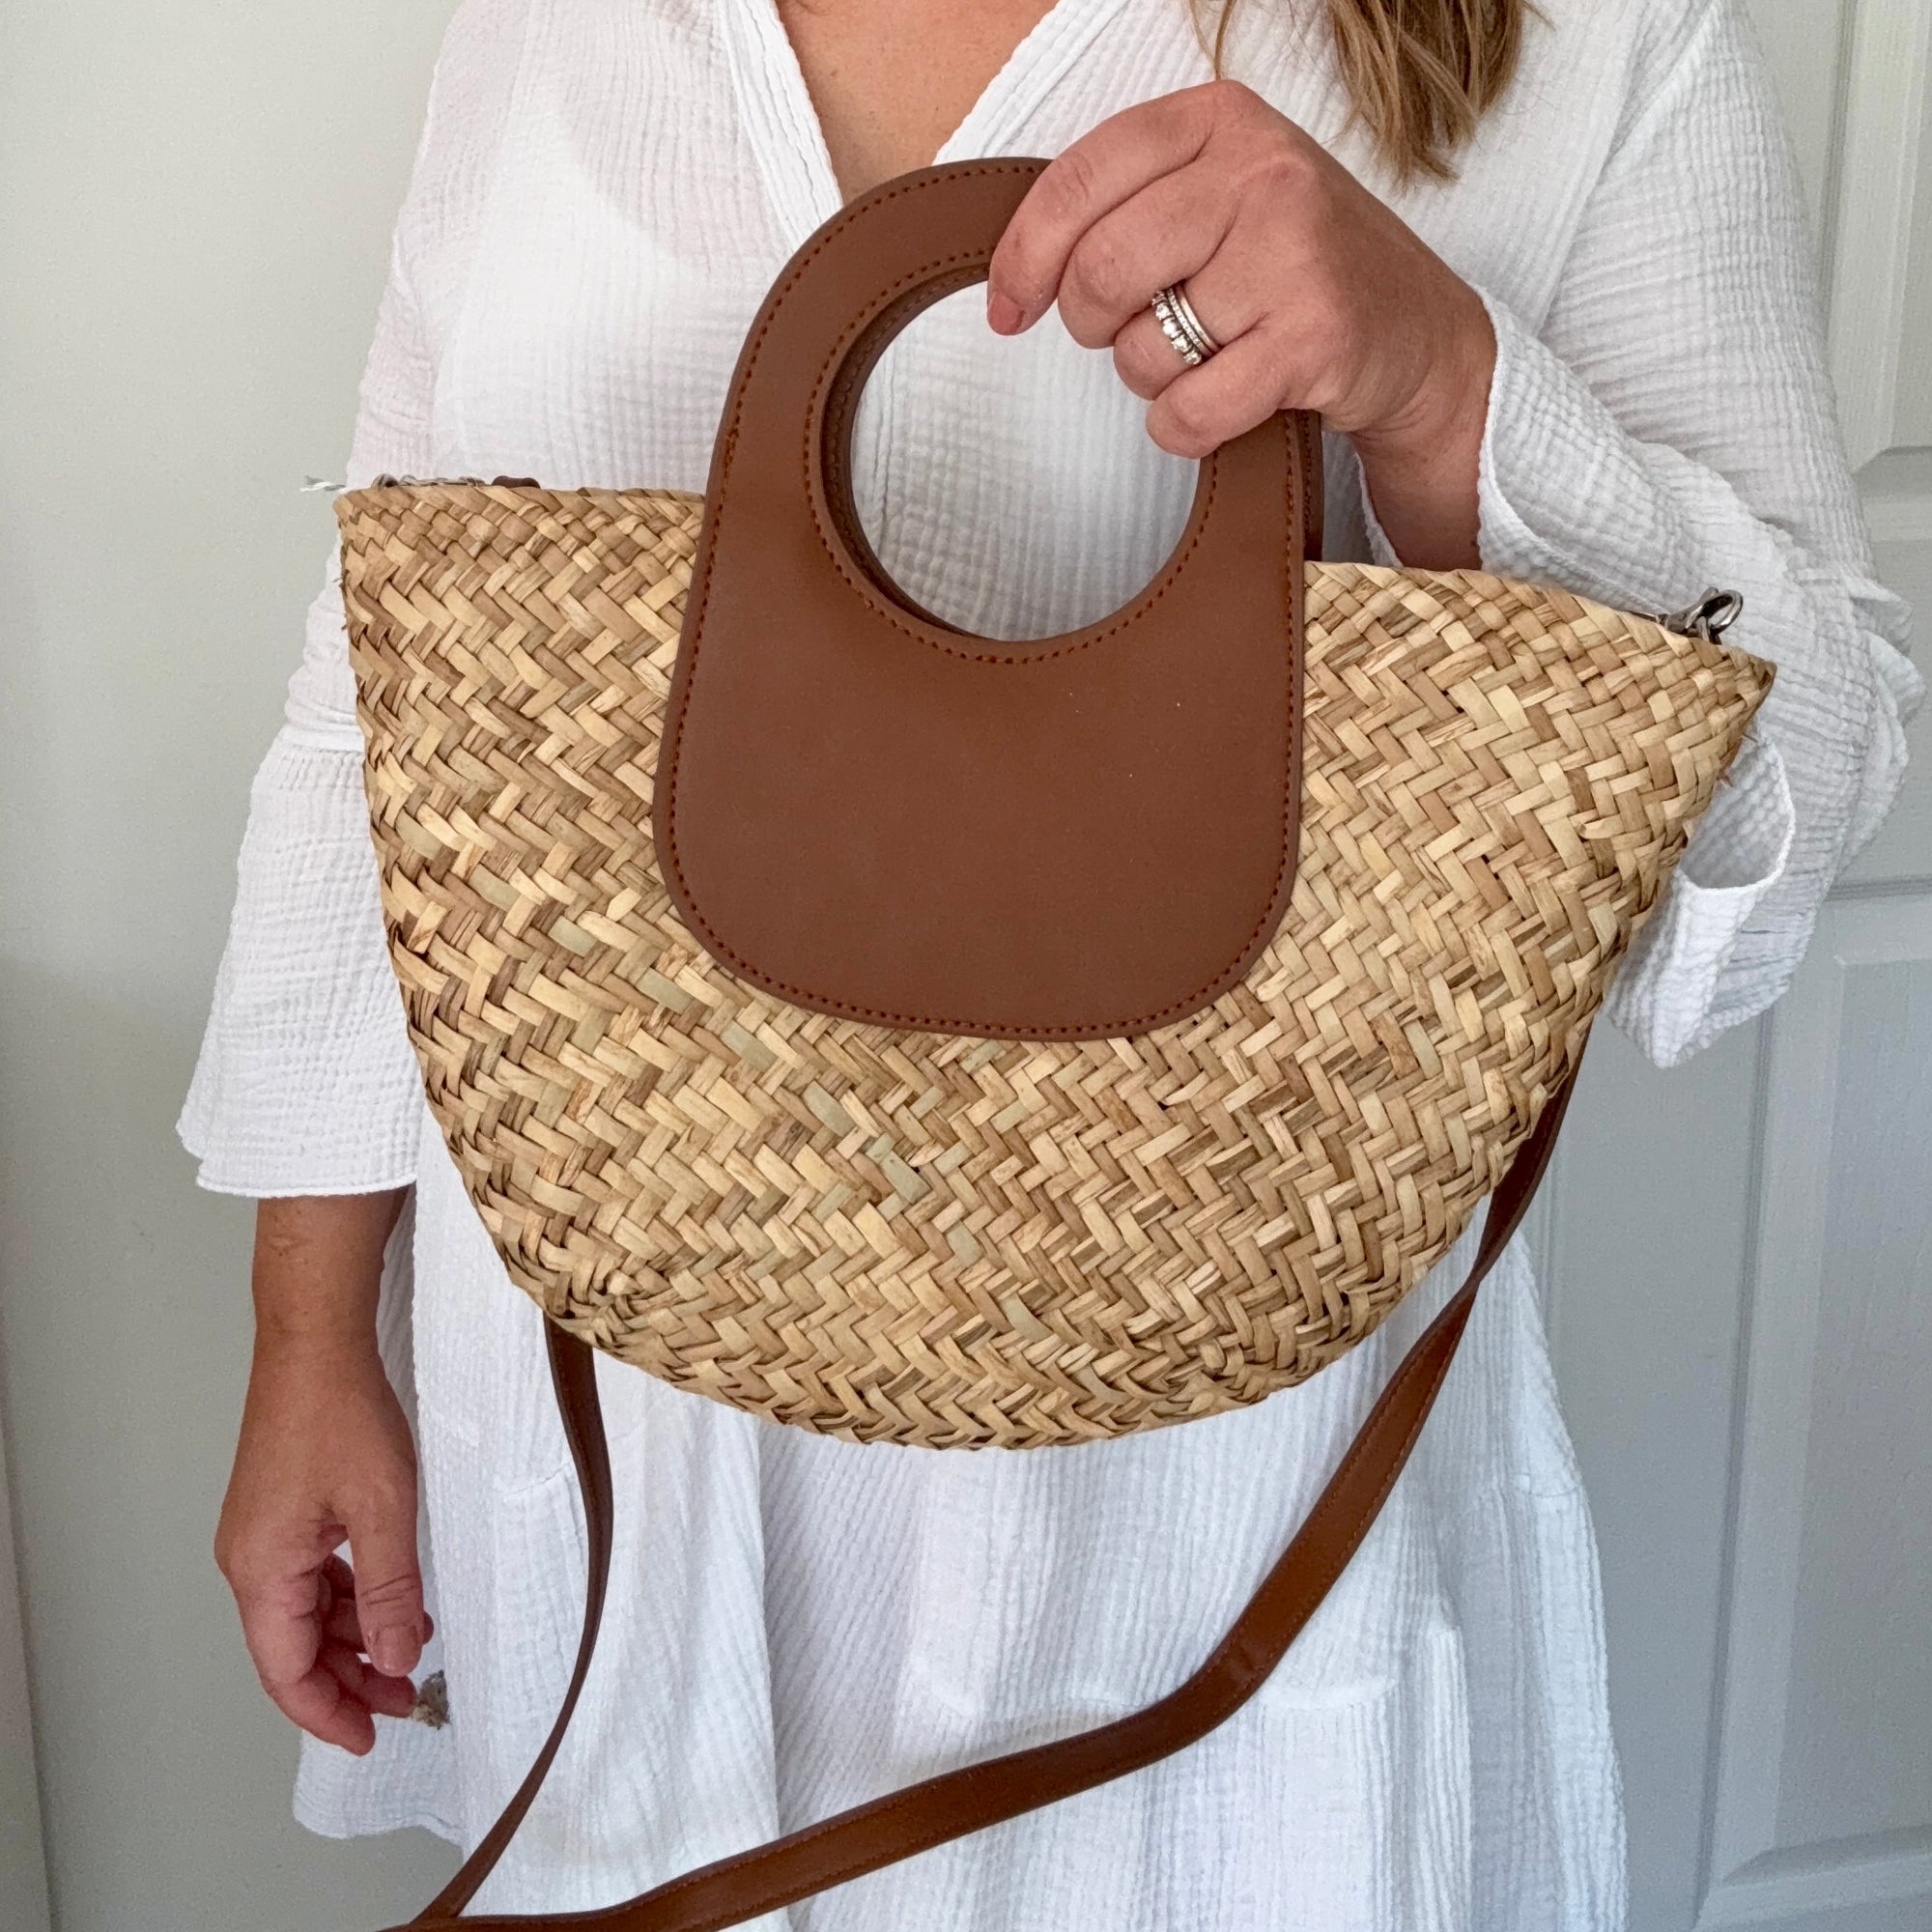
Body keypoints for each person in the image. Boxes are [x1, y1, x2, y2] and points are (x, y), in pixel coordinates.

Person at [184, 0, 1919, 1924]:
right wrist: (310, 1334)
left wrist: (1440, 388)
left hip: (1217, 1484)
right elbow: (386, 688)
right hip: (613, 1420)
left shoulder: (1593, 35)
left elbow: (1814, 762)